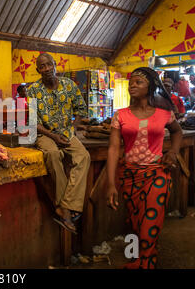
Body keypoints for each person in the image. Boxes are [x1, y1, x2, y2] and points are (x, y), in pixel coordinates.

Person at [106, 67, 182, 269]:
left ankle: (145, 264)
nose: (132, 85)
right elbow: (113, 149)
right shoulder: (120, 115)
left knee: (150, 222)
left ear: (150, 86)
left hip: (156, 173)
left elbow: (177, 132)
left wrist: (173, 152)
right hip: (129, 175)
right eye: (131, 82)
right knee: (135, 221)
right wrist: (110, 184)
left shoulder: (164, 114)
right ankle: (139, 258)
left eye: (138, 82)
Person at [27, 53, 90, 234]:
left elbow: (80, 109)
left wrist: (73, 128)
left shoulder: (69, 85)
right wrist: (54, 137)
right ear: (37, 70)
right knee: (53, 155)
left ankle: (65, 206)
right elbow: (33, 122)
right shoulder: (33, 90)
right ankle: (66, 209)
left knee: (83, 156)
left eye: (49, 65)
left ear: (55, 65)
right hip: (46, 133)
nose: (46, 69)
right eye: (42, 66)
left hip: (67, 132)